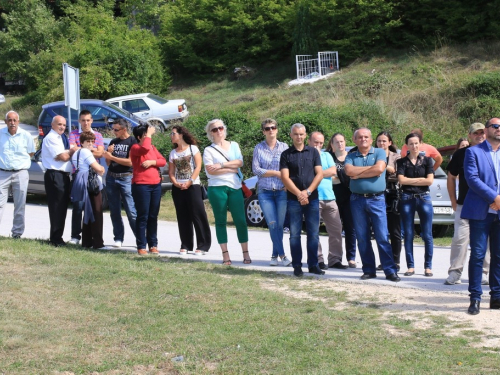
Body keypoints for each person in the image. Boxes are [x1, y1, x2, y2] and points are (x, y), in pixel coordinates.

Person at [344, 127, 400, 282]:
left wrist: (358, 173)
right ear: (354, 140)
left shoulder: (379, 152)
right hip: (357, 200)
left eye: (366, 137)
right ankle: (369, 269)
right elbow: (348, 171)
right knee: (362, 237)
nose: (363, 139)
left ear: (370, 139)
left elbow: (380, 169)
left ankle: (390, 270)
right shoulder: (351, 155)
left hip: (377, 199)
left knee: (382, 235)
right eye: (360, 137)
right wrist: (370, 170)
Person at [461, 117, 500, 315]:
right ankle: (475, 297)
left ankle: (496, 296)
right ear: (486, 130)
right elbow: (472, 179)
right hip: (480, 212)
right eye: (495, 126)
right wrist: (495, 197)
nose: (499, 129)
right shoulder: (473, 151)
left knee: (498, 256)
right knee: (477, 255)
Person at [445, 123, 490, 286]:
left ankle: (483, 273)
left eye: (482, 133)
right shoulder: (461, 154)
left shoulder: (492, 152)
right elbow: (451, 177)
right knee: (460, 239)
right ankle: (455, 272)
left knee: (486, 241)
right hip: (465, 204)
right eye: (475, 133)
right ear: (469, 135)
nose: (479, 135)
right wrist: (452, 200)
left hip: (487, 204)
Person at [203, 119, 251, 265]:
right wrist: (231, 168)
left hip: (235, 186)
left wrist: (221, 165)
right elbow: (210, 172)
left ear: (224, 129)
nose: (218, 131)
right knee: (221, 221)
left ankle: (246, 253)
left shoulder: (234, 145)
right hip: (217, 188)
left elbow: (240, 163)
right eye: (214, 129)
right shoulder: (208, 150)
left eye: (220, 128)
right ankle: (225, 255)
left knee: (241, 221)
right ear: (210, 133)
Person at [280, 123, 324, 277]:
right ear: (291, 135)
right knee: (294, 235)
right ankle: (297, 266)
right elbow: (285, 177)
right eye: (296, 134)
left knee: (313, 234)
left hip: (312, 199)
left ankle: (313, 265)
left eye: (301, 134)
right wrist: (299, 194)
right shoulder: (286, 155)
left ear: (305, 135)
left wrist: (308, 192)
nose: (299, 137)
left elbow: (319, 174)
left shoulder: (313, 153)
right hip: (293, 199)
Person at [252, 118, 291, 266]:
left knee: (280, 225)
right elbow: (256, 170)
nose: (271, 130)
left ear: (277, 129)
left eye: (273, 127)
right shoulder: (258, 148)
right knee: (272, 224)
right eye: (267, 128)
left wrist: (286, 181)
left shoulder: (284, 147)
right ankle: (283, 255)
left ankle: (274, 256)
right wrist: (275, 173)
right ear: (263, 131)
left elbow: (288, 167)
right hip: (265, 192)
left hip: (281, 191)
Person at [169, 125, 211, 255]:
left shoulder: (193, 149)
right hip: (178, 188)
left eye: (173, 133)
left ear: (181, 135)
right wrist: (176, 183)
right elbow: (171, 172)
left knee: (198, 214)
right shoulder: (173, 153)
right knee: (182, 216)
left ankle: (203, 245)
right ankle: (186, 244)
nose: (171, 135)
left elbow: (198, 167)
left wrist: (189, 181)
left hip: (193, 186)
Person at [397, 132, 434, 277]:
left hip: (424, 197)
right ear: (407, 145)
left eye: (416, 143)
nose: (414, 146)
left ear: (420, 144)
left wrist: (410, 180)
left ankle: (428, 267)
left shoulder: (427, 161)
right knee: (408, 233)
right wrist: (420, 179)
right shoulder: (401, 162)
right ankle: (410, 266)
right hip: (407, 198)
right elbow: (401, 180)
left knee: (427, 234)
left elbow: (429, 181)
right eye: (411, 143)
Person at [308, 131, 346, 270]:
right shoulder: (306, 156)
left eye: (320, 143)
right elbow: (305, 174)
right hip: (314, 198)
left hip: (330, 197)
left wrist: (317, 174)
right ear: (309, 142)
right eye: (315, 142)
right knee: (314, 231)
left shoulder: (327, 155)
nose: (318, 145)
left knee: (336, 230)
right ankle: (318, 259)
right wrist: (322, 173)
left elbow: (333, 171)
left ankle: (335, 259)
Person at [68, 110, 104, 245]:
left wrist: (82, 148)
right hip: (79, 175)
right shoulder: (73, 134)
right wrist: (91, 150)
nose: (86, 123)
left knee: (93, 207)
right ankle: (75, 236)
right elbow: (72, 149)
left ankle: (89, 238)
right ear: (79, 121)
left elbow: (100, 153)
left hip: (93, 177)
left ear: (92, 121)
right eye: (83, 120)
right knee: (78, 206)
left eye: (88, 120)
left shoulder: (98, 135)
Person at [130, 124, 166, 255]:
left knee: (153, 216)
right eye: (145, 135)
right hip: (141, 185)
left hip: (155, 184)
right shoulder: (135, 147)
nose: (148, 137)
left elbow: (162, 161)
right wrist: (149, 135)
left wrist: (152, 162)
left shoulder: (152, 147)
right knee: (143, 216)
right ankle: (141, 246)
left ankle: (153, 244)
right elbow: (144, 148)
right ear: (139, 137)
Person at [0, 111, 36, 238]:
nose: (12, 123)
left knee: (19, 205)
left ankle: (17, 233)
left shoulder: (26, 135)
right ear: (5, 122)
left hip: (20, 173)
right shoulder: (0, 134)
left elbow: (31, 152)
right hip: (2, 173)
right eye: (9, 120)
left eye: (15, 120)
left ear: (18, 122)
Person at [102, 118, 137, 248]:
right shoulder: (113, 142)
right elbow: (108, 163)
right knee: (114, 210)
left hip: (126, 177)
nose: (114, 132)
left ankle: (140, 238)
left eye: (116, 130)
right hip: (111, 177)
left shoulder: (133, 141)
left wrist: (112, 157)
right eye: (113, 129)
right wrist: (109, 155)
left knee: (131, 210)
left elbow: (130, 162)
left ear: (124, 129)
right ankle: (118, 238)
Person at [41, 115, 76, 246]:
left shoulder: (60, 138)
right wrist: (72, 150)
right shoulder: (51, 138)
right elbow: (63, 157)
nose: (62, 127)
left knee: (62, 207)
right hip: (55, 175)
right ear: (52, 125)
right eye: (59, 124)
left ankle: (58, 237)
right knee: (56, 207)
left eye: (64, 125)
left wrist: (67, 152)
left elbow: (65, 155)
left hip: (63, 175)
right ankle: (55, 239)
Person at [325, 133, 357, 268]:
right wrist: (337, 177)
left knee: (351, 228)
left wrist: (337, 177)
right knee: (335, 229)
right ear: (332, 145)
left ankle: (351, 257)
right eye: (337, 142)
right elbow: (328, 177)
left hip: (350, 197)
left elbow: (354, 175)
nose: (340, 144)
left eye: (342, 141)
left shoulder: (351, 157)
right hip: (333, 197)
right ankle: (336, 258)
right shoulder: (329, 157)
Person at [375, 131, 401, 271]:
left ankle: (396, 260)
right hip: (377, 193)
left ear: (390, 142)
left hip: (392, 193)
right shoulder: (373, 155)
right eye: (379, 141)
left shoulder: (396, 157)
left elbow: (398, 173)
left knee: (394, 230)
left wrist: (385, 167)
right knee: (380, 230)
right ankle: (384, 260)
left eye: (384, 141)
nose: (381, 143)